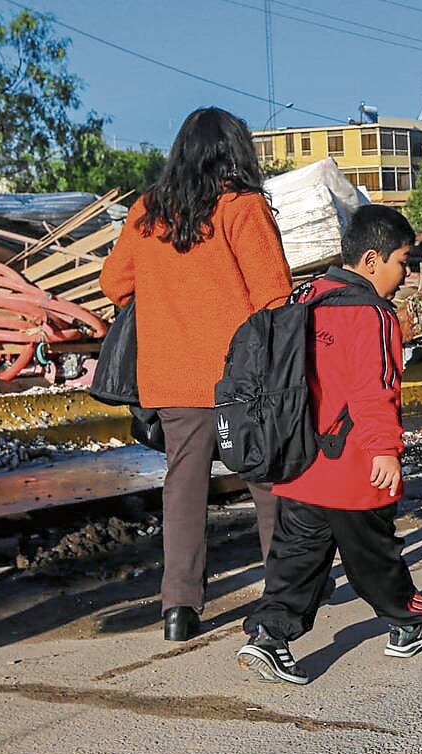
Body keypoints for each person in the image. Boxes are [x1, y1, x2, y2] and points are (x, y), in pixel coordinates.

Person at [100, 107, 292, 642]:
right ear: (237, 151)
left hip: (170, 379)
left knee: (183, 488)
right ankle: (281, 594)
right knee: (267, 481)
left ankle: (178, 609)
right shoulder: (242, 206)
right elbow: (274, 297)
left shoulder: (148, 209)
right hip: (241, 379)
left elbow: (113, 282)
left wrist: (167, 295)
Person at [235, 205, 422, 685]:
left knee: (296, 559)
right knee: (373, 556)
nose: (404, 273)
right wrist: (385, 449)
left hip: (299, 462)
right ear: (371, 260)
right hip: (353, 467)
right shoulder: (372, 315)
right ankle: (411, 621)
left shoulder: (306, 299)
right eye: (402, 261)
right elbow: (375, 388)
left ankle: (268, 634)